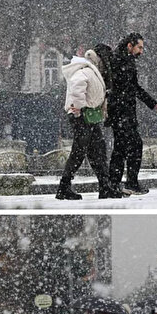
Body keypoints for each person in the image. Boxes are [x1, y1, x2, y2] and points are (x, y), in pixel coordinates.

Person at [56, 47, 123, 200]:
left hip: (89, 117)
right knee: (80, 152)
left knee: (98, 151)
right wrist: (78, 108)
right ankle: (64, 187)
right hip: (82, 116)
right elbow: (77, 86)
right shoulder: (85, 70)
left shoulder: (90, 70)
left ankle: (104, 186)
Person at [106, 32, 157, 195]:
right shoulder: (120, 61)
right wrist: (152, 103)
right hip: (121, 111)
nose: (141, 51)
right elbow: (130, 88)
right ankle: (129, 182)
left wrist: (153, 104)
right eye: (139, 47)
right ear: (129, 46)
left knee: (120, 148)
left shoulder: (124, 60)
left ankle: (114, 184)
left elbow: (133, 87)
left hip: (122, 112)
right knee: (134, 144)